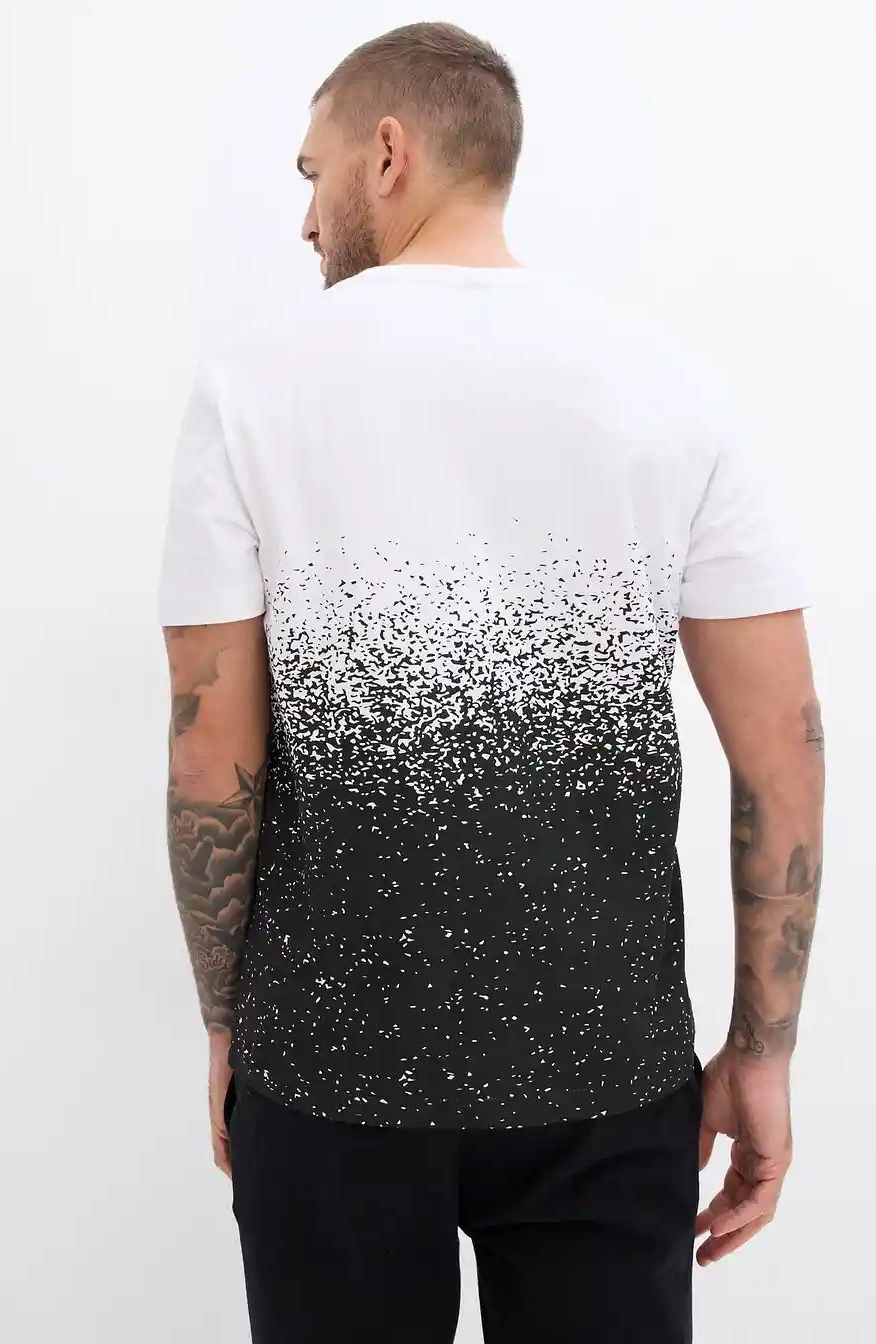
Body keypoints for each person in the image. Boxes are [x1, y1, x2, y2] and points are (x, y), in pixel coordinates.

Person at [157, 21, 823, 1344]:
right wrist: (763, 1049)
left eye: (314, 173)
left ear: (388, 153)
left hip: (329, 1070)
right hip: (607, 1067)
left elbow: (206, 755)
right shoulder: (669, 388)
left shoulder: (252, 390)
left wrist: (229, 1026)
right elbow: (782, 754)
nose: (306, 219)